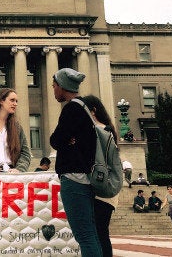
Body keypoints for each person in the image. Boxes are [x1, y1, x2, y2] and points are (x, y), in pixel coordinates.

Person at [49, 68, 102, 256]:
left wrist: (63, 140)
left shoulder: (72, 109)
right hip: (84, 177)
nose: (53, 90)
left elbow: (55, 140)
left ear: (62, 87)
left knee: (84, 235)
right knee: (91, 234)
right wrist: (67, 140)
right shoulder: (84, 108)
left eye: (54, 86)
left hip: (74, 178)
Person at [82, 95, 119, 257]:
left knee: (100, 232)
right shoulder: (105, 129)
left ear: (93, 111)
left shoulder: (102, 130)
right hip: (105, 188)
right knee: (100, 232)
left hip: (103, 187)